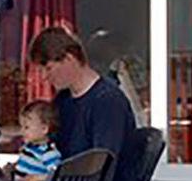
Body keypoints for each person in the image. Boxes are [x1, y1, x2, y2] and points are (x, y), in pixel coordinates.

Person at [28, 25, 136, 165]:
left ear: (69, 59)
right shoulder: (63, 100)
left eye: (48, 68)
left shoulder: (108, 101)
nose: (44, 77)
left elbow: (102, 166)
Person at [8, 99, 62, 181]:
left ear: (44, 129)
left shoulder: (48, 153)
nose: (22, 131)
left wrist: (37, 178)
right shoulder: (30, 148)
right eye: (21, 127)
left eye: (26, 127)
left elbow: (57, 174)